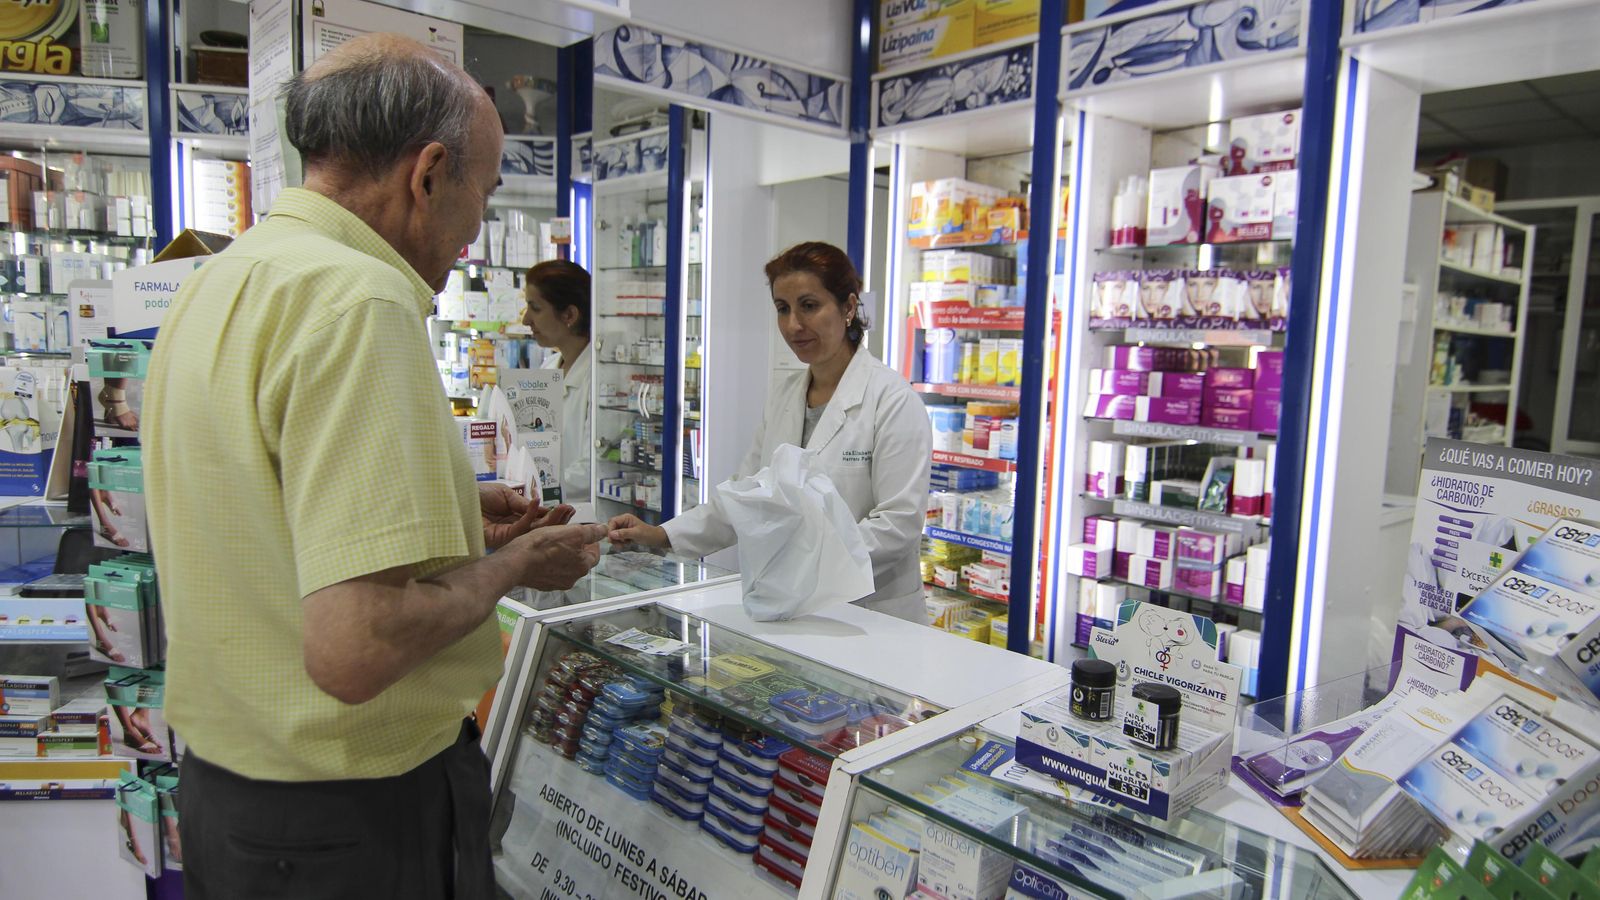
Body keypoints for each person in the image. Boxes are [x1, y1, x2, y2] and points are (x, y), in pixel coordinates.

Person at [142, 34, 606, 899]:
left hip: (229, 800)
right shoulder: (360, 298)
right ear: (429, 174)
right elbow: (357, 648)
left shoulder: (220, 278)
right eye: (485, 192)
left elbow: (261, 500)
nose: (475, 232)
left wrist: (455, 516)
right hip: (349, 822)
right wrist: (511, 564)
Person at [608, 242, 932, 622]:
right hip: (792, 605)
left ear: (847, 308)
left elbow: (898, 524)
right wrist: (662, 535)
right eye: (783, 309)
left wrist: (804, 564)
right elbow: (746, 496)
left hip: (872, 613)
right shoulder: (785, 396)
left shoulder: (892, 400)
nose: (794, 324)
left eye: (809, 306)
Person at [522, 260, 592, 506]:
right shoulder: (548, 367)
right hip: (544, 511)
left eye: (535, 308)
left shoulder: (598, 377)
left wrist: (533, 492)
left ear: (569, 315)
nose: (526, 320)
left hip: (584, 521)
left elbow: (591, 472)